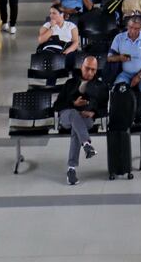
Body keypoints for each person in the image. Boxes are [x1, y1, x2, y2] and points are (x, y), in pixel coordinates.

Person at [54, 54, 108, 185]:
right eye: (87, 68)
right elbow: (57, 105)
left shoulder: (100, 86)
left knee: (76, 130)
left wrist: (93, 113)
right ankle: (86, 144)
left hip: (86, 119)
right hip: (68, 115)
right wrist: (74, 104)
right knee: (73, 114)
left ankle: (71, 169)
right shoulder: (70, 83)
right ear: (81, 67)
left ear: (96, 70)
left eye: (93, 70)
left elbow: (104, 108)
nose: (90, 72)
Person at [109, 15, 141, 99]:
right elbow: (109, 58)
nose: (132, 31)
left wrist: (139, 76)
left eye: (136, 28)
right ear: (127, 26)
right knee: (117, 90)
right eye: (130, 27)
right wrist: (119, 58)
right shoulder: (119, 38)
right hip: (126, 74)